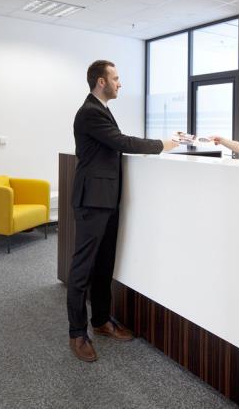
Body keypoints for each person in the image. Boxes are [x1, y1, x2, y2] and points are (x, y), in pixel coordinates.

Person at [67, 60, 178, 363]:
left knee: (104, 265)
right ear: (101, 82)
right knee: (82, 269)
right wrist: (163, 144)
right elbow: (121, 142)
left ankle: (101, 321)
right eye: (115, 78)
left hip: (107, 200)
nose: (120, 83)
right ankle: (77, 333)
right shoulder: (90, 112)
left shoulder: (102, 109)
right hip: (91, 201)